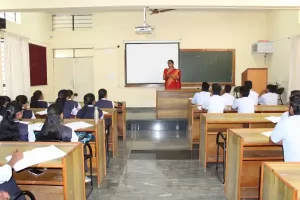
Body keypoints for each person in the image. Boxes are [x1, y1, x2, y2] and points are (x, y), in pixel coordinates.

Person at [270, 93, 300, 162]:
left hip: (293, 167)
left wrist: (287, 141)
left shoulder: (286, 122)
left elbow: (272, 140)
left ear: (291, 108)